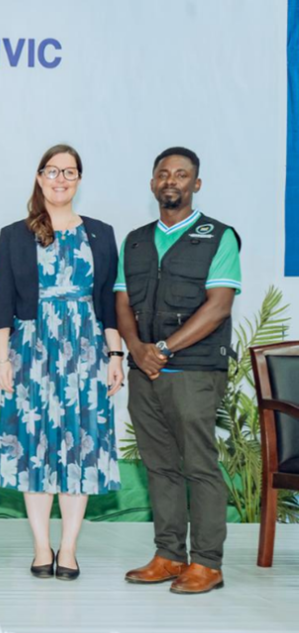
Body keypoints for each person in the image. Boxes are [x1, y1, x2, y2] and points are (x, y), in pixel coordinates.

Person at [0, 144, 124, 581]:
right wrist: (0, 359)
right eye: (52, 171)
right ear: (39, 177)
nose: (60, 179)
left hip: (86, 352)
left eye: (69, 172)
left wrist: (115, 355)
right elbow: (2, 303)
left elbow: (108, 303)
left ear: (79, 179)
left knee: (79, 446)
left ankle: (68, 548)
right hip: (31, 351)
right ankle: (40, 546)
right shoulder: (15, 234)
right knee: (34, 448)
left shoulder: (101, 233)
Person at [118, 147, 241, 594]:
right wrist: (137, 349)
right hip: (144, 372)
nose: (171, 180)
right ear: (153, 183)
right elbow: (122, 303)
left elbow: (218, 306)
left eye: (182, 174)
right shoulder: (135, 240)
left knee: (200, 466)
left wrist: (164, 349)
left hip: (195, 372)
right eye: (164, 173)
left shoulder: (219, 236)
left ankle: (207, 563)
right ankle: (169, 555)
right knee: (160, 466)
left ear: (196, 184)